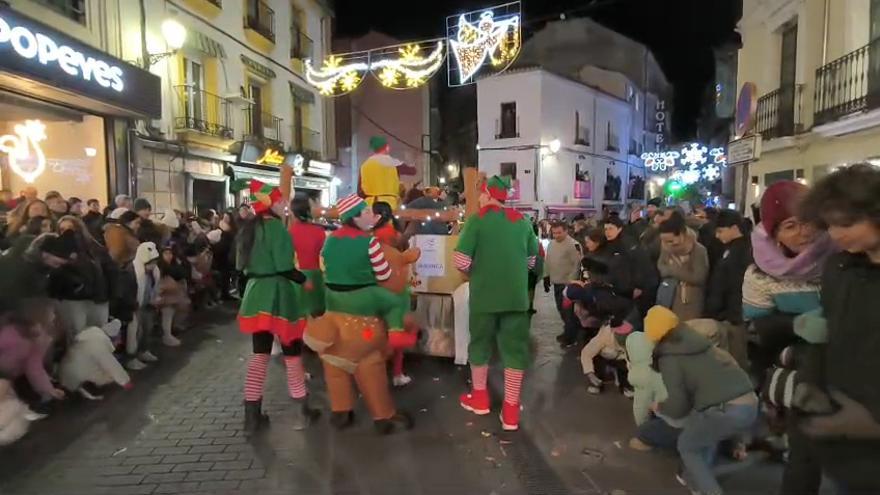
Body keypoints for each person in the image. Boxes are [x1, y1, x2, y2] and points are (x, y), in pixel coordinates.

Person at [796, 164, 880, 493]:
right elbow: (826, 331)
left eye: (846, 223)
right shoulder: (839, 267)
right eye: (829, 224)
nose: (835, 234)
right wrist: (810, 381)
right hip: (842, 437)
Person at [455, 176, 539, 432]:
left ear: (489, 195)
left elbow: (460, 260)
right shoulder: (523, 222)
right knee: (515, 351)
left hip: (484, 297)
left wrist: (477, 271)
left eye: (481, 193)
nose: (479, 198)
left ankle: (480, 398)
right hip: (516, 299)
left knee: (479, 346)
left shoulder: (477, 221)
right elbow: (532, 262)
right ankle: (511, 411)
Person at [645, 306, 757, 495]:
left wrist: (660, 407)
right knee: (703, 431)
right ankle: (695, 482)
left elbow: (678, 406)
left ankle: (709, 490)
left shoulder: (670, 358)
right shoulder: (700, 342)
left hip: (726, 409)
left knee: (687, 446)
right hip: (749, 402)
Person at [237, 180, 317, 433]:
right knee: (292, 352)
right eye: (282, 201)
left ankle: (251, 417)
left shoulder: (249, 228)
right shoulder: (277, 230)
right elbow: (285, 266)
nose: (285, 205)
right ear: (271, 205)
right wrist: (304, 280)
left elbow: (240, 265)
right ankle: (302, 411)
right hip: (279, 294)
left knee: (259, 355)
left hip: (255, 293)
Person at [704, 210, 752, 368]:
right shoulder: (729, 249)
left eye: (720, 231)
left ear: (734, 228)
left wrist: (728, 313)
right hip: (727, 314)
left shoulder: (743, 251)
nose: (717, 236)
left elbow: (735, 285)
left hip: (734, 315)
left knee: (736, 362)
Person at [657, 212, 709, 321]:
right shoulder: (666, 247)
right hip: (667, 295)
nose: (668, 244)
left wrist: (673, 271)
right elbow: (661, 265)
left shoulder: (698, 250)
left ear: (681, 234)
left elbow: (699, 277)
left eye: (671, 241)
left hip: (689, 300)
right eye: (665, 241)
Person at [542, 222, 582, 347]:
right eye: (554, 233)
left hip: (568, 285)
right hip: (556, 282)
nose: (556, 235)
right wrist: (546, 276)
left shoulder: (573, 245)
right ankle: (568, 331)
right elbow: (548, 260)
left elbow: (577, 265)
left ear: (566, 231)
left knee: (568, 312)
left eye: (559, 232)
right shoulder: (552, 244)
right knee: (561, 309)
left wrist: (571, 282)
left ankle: (571, 336)